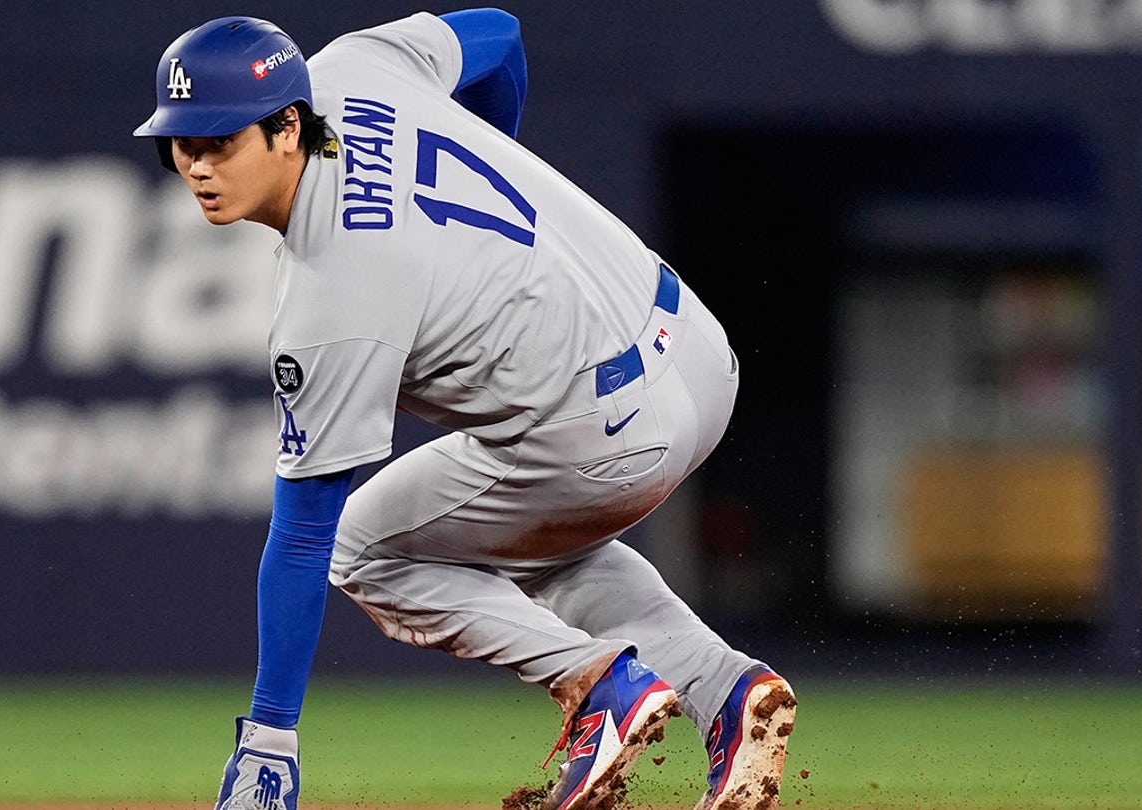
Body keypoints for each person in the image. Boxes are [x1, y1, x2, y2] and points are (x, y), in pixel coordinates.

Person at [134, 10, 796, 810]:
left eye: (221, 141)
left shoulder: (330, 292)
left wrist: (270, 738)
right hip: (691, 346)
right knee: (532, 539)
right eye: (183, 144)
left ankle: (599, 687)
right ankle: (726, 694)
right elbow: (498, 33)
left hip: (606, 438)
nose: (199, 166)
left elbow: (303, 535)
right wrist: (492, 149)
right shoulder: (356, 66)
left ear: (286, 128)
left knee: (364, 550)